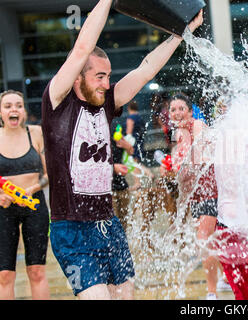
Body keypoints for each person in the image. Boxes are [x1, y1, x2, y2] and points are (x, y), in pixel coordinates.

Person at [40, 0, 203, 300]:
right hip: (72, 231)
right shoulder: (58, 103)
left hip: (109, 225)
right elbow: (82, 47)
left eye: (108, 75)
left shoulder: (108, 105)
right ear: (77, 78)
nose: (106, 83)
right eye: (99, 76)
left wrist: (179, 34)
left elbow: (146, 69)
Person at [160, 93, 224, 300]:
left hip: (211, 187)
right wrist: (169, 166)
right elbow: (181, 167)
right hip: (197, 192)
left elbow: (198, 160)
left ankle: (211, 292)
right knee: (215, 237)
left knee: (204, 239)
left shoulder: (197, 126)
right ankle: (225, 279)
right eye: (173, 110)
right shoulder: (177, 133)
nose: (177, 113)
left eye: (181, 109)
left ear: (189, 111)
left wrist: (177, 165)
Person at [0, 90, 50, 300]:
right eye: (8, 106)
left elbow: (50, 174)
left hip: (34, 206)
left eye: (18, 105)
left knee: (36, 270)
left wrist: (34, 189)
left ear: (24, 110)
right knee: (4, 274)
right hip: (3, 209)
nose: (14, 109)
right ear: (1, 112)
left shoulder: (36, 133)